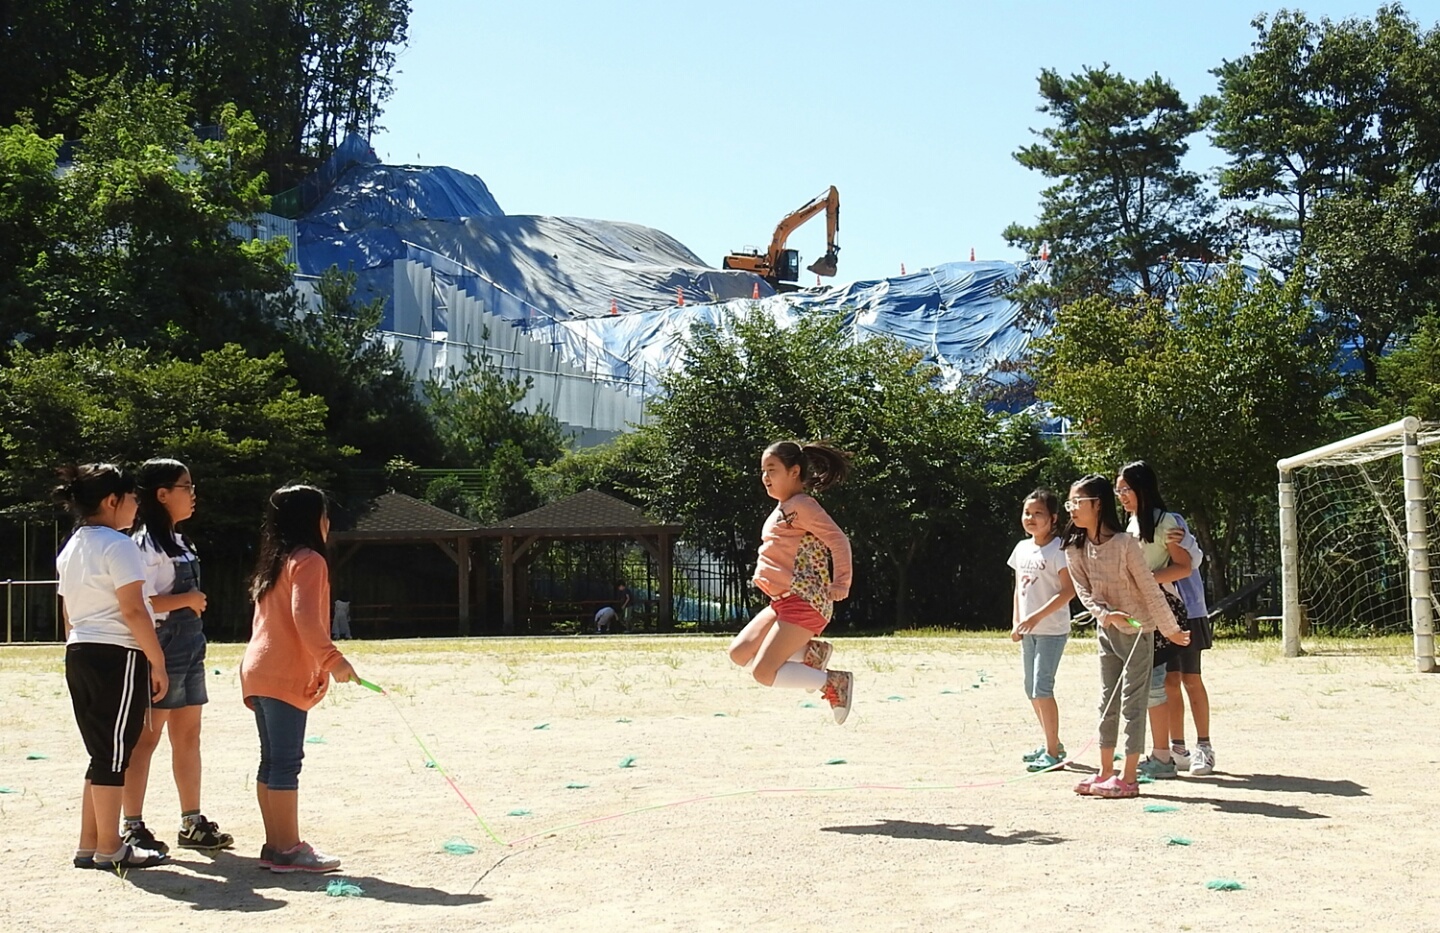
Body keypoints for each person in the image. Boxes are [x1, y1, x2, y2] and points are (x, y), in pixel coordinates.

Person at [54, 463, 171, 870]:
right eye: (132, 497)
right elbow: (134, 610)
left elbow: (68, 610)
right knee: (114, 754)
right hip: (116, 654)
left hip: (80, 651)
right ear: (111, 501)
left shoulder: (71, 547)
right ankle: (110, 847)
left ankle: (90, 843)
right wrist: (156, 660)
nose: (136, 504)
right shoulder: (119, 546)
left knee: (101, 750)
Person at [241, 485, 359, 873]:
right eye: (326, 516)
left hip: (258, 671)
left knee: (272, 761)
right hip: (280, 672)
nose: (329, 524)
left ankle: (275, 846)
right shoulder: (309, 561)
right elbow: (305, 618)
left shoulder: (274, 562)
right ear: (315, 521)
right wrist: (333, 660)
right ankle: (289, 847)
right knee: (285, 763)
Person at [121, 458, 233, 857]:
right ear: (162, 494)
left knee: (188, 735)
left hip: (189, 645)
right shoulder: (142, 545)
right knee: (145, 740)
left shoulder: (179, 540)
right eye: (186, 486)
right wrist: (186, 599)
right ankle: (131, 825)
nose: (193, 493)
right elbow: (139, 602)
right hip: (161, 646)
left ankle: (192, 821)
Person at [1062, 475, 1189, 799]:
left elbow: (1149, 588)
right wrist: (1106, 616)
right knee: (1108, 701)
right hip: (1108, 632)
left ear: (1097, 504)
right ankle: (1105, 771)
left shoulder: (1125, 544)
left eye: (1078, 502)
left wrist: (1170, 629)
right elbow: (1083, 592)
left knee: (1134, 703)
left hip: (1138, 634)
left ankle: (1129, 777)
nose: (1072, 509)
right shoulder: (1076, 546)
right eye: (1070, 503)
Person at [727, 440, 855, 724]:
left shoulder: (803, 506)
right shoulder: (783, 507)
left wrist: (841, 583)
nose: (765, 478)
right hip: (782, 602)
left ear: (794, 471)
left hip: (804, 602)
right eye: (763, 471)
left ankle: (834, 682)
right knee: (739, 652)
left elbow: (838, 540)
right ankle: (811, 653)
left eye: (772, 470)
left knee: (763, 672)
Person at [1114, 461, 1203, 781]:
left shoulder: (1166, 523)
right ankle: (1164, 751)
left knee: (1157, 683)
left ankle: (1165, 754)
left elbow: (1184, 566)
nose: (1121, 495)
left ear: (1142, 488)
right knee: (1155, 683)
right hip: (1141, 609)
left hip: (1165, 609)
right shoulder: (1131, 524)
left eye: (1125, 489)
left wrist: (1146, 580)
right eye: (1118, 490)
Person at [1008, 488, 1076, 772]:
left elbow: (1067, 591)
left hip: (1052, 630)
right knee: (1030, 688)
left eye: (1038, 513)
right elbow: (1018, 589)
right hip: (1030, 630)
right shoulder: (1022, 548)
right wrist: (1017, 622)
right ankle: (1052, 742)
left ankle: (1053, 754)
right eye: (1027, 513)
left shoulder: (1060, 549)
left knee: (1042, 687)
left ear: (1053, 518)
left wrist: (1035, 617)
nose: (1031, 518)